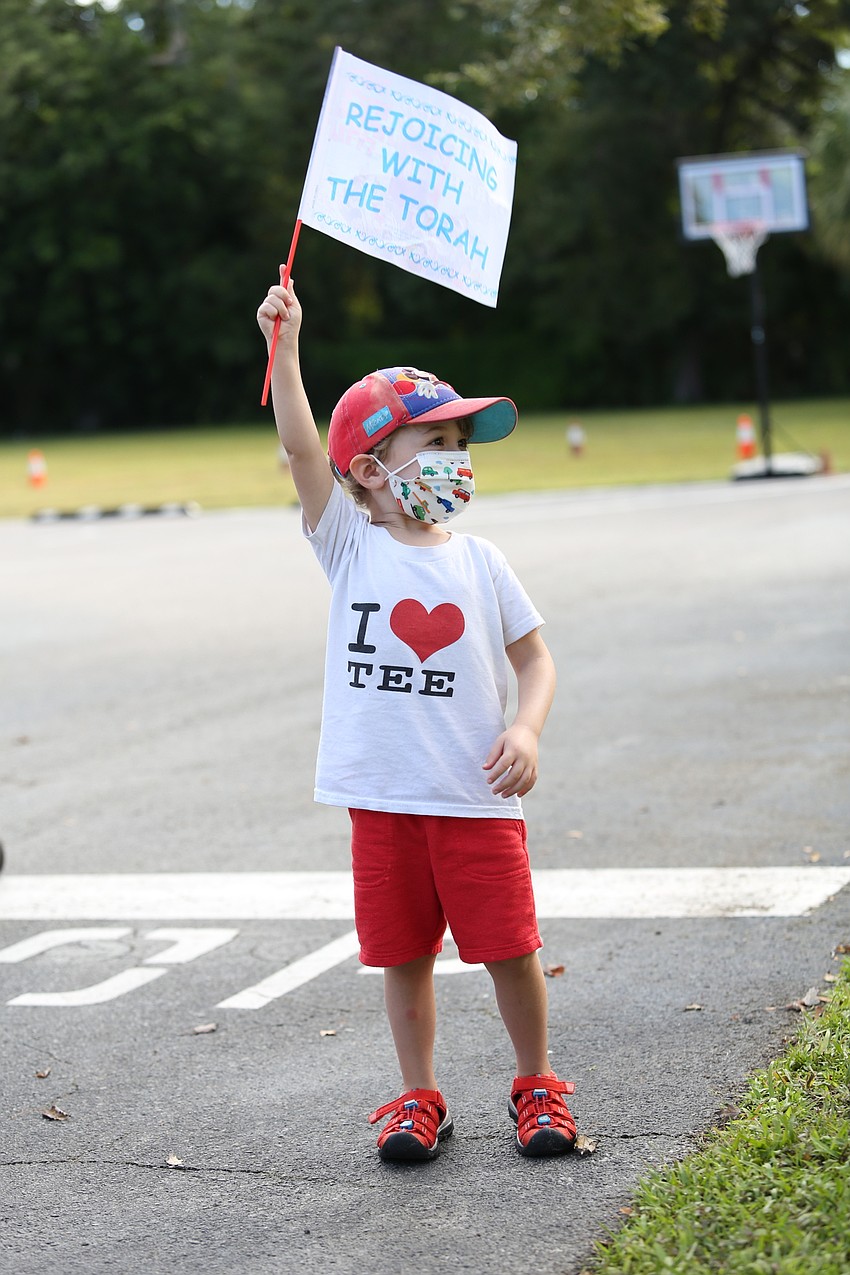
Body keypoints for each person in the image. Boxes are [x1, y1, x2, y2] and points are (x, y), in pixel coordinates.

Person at [257, 267, 576, 1163]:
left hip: (475, 799)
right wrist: (284, 347)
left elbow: (535, 659)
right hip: (384, 802)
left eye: (459, 442)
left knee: (511, 950)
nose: (456, 457)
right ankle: (417, 1094)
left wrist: (526, 727)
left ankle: (537, 1083)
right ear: (371, 469)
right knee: (405, 959)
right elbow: (299, 450)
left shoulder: (481, 561)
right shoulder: (348, 541)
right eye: (434, 440)